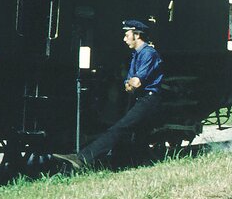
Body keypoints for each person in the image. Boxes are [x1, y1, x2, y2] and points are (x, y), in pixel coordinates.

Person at [54, 19, 164, 171]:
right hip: (142, 98)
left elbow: (136, 83)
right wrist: (131, 83)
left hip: (149, 99)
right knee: (138, 136)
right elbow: (128, 84)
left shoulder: (148, 54)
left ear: (137, 35)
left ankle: (82, 158)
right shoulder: (136, 55)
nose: (124, 39)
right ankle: (134, 164)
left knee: (120, 128)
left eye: (127, 35)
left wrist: (132, 83)